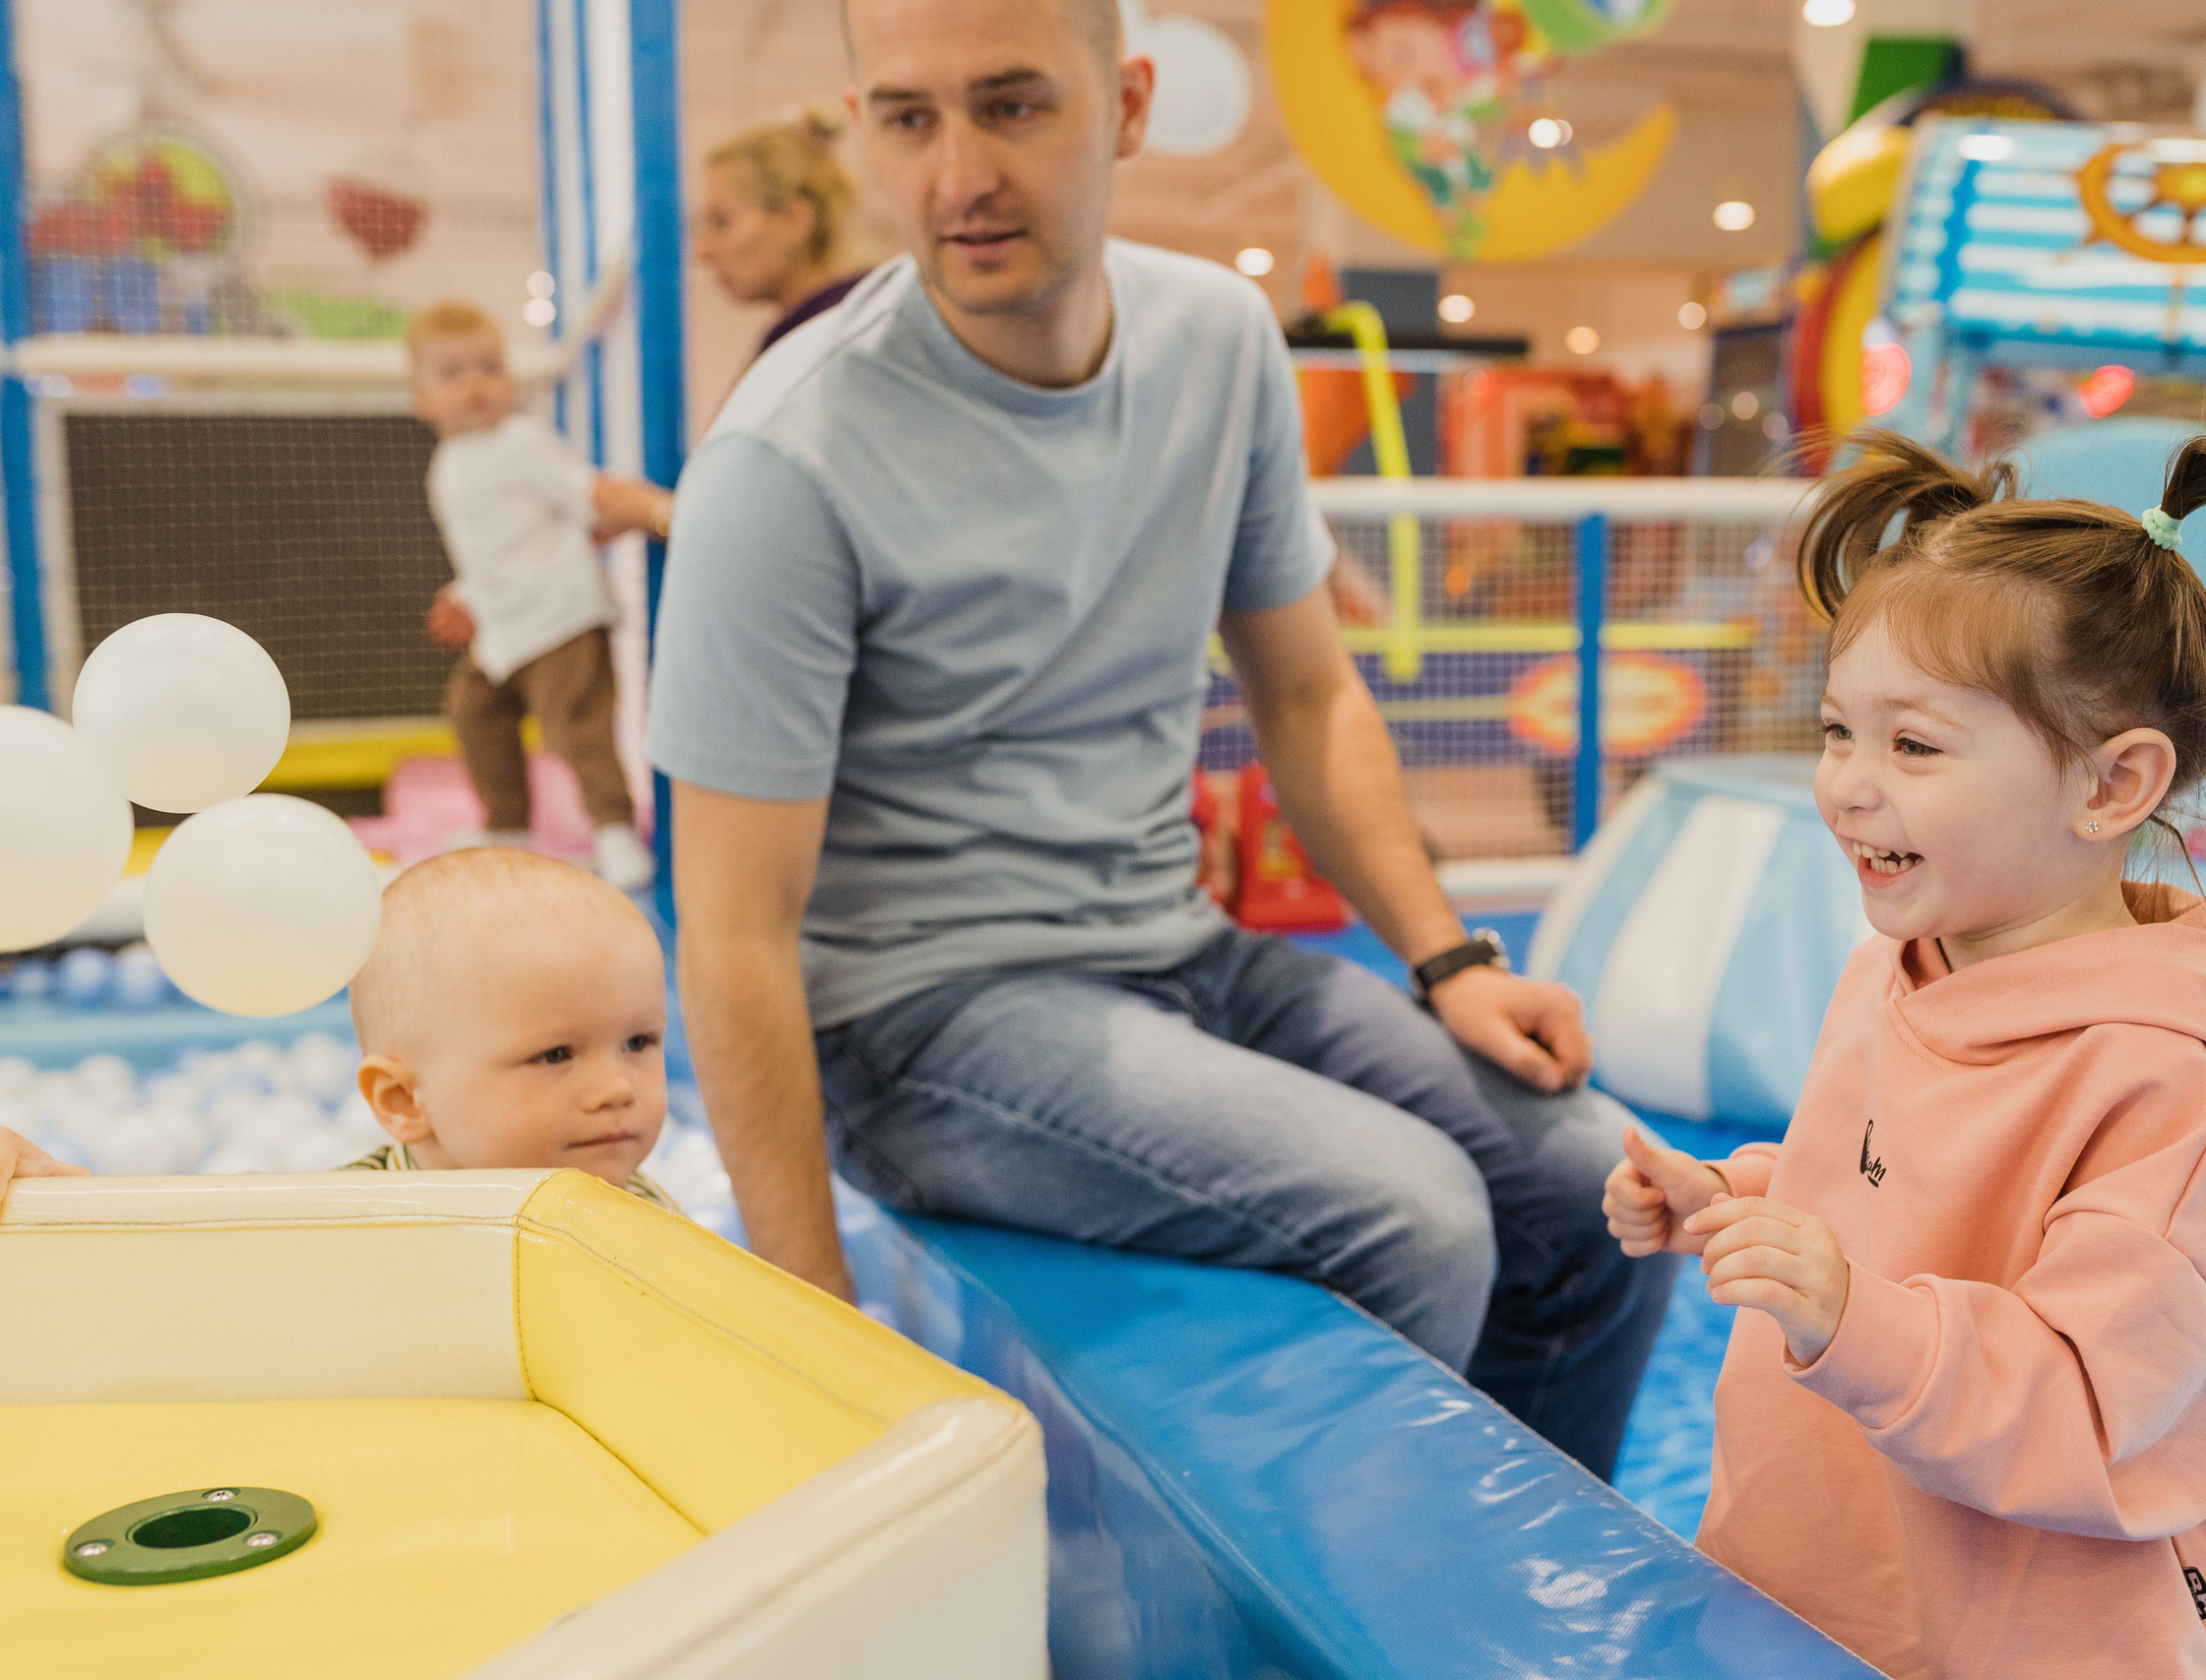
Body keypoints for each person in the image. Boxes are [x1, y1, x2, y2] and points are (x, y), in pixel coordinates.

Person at [647, 0, 1674, 1478]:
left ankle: (1485, 1607)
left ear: (1126, 105)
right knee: (1417, 1217)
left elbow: (1309, 695)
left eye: (1012, 107)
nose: (958, 177)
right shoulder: (784, 459)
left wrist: (1450, 958)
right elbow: (733, 927)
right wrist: (816, 1308)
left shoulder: (1219, 339)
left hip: (1178, 950)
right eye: (908, 118)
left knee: (1600, 1191)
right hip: (926, 1016)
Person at [1604, 430, 2206, 1677]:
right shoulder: (1904, 966)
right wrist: (1746, 1204)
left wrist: (1846, 1312)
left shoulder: (2164, 1087)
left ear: (2111, 784)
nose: (1847, 789)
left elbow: (2099, 1412)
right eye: (1835, 732)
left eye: (1912, 747)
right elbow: (1903, 1198)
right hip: (1842, 1591)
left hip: (2052, 1637)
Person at [408, 300, 672, 894]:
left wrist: (651, 511)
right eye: (453, 374)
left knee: (578, 726)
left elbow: (586, 499)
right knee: (475, 713)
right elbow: (492, 543)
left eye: (489, 367)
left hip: (560, 616)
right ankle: (506, 827)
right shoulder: (448, 464)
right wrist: (464, 593)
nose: (476, 385)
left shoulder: (520, 440)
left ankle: (614, 831)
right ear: (420, 397)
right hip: (503, 626)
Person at [343, 847, 680, 1211]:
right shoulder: (337, 1230)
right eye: (555, 1055)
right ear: (404, 1100)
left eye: (637, 1042)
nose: (618, 1088)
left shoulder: (646, 1221)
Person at [694, 109, 868, 357]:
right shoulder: (803, 333)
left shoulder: (844, 340)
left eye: (723, 222)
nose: (703, 251)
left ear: (794, 220)